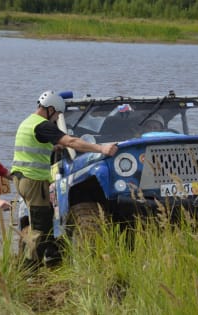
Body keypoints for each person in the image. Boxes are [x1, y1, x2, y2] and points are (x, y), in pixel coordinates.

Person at [11, 90, 118, 266]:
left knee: (42, 222)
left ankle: (43, 259)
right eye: (58, 114)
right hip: (34, 180)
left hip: (23, 178)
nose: (57, 118)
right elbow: (71, 142)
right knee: (40, 227)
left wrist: (53, 149)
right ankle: (28, 270)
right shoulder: (43, 125)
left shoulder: (28, 122)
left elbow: (34, 146)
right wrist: (101, 149)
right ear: (51, 109)